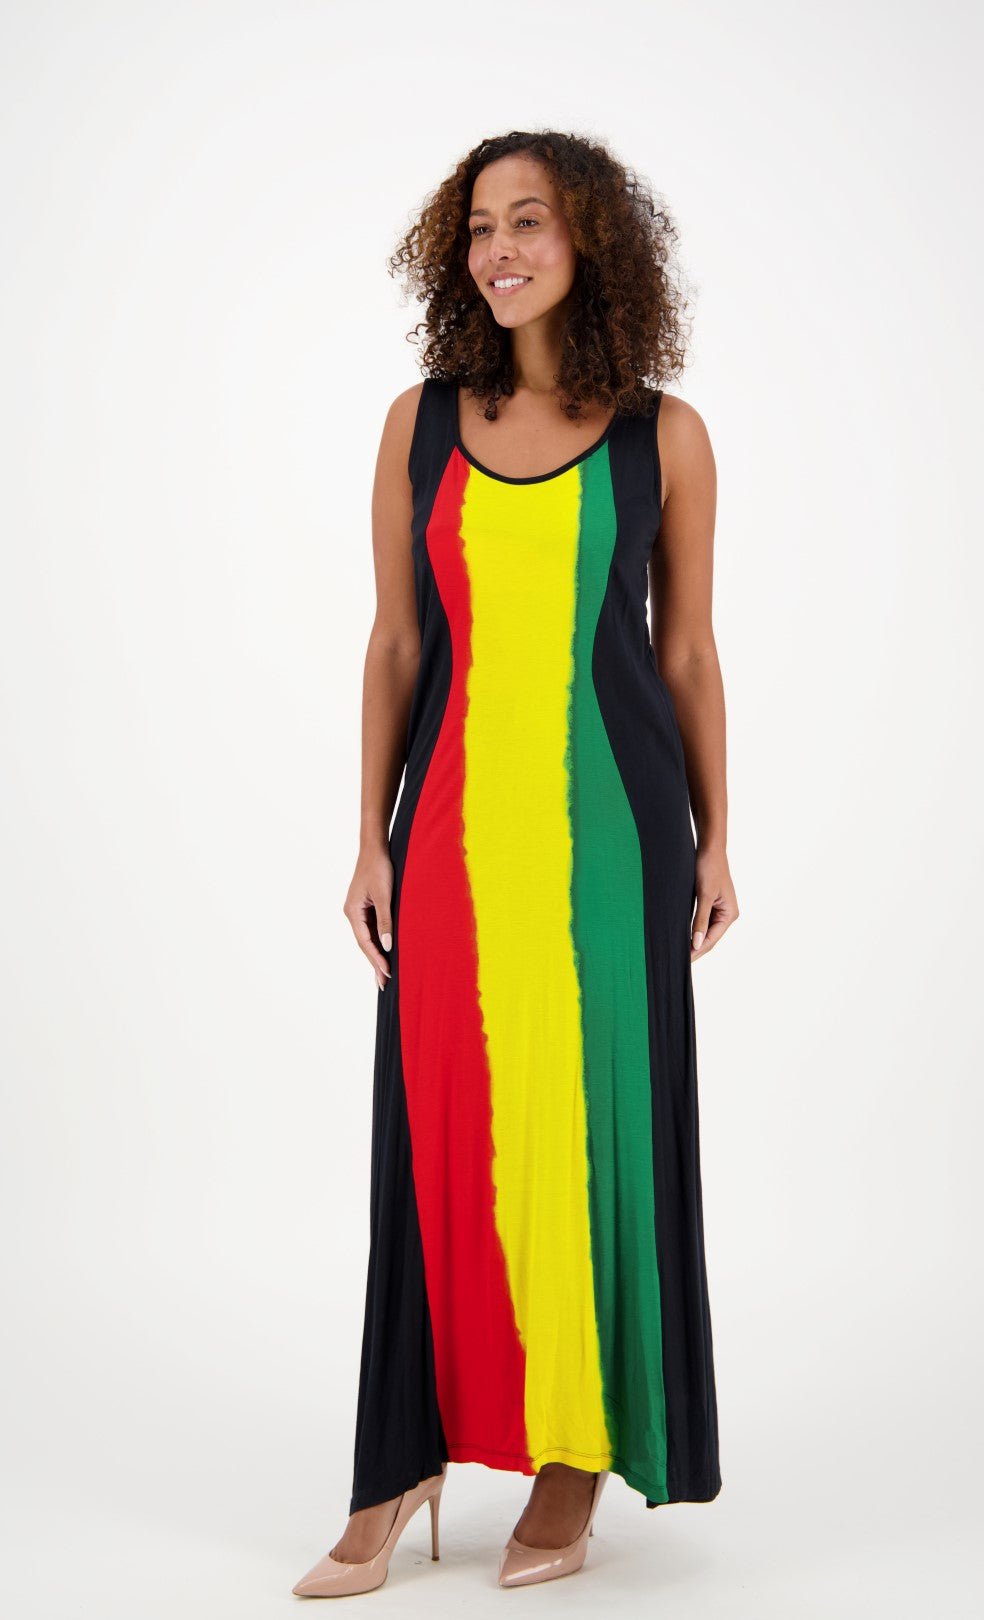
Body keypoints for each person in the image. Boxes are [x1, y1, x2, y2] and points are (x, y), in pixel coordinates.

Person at [292, 128, 739, 1598]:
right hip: (448, 839)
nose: (501, 250)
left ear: (589, 239)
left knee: (596, 1131)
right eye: (480, 227)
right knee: (438, 1131)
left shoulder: (663, 436)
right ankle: (400, 1461)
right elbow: (396, 643)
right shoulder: (419, 425)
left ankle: (573, 1455)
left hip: (617, 837)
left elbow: (685, 652)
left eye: (529, 221)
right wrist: (369, 836)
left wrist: (718, 838)